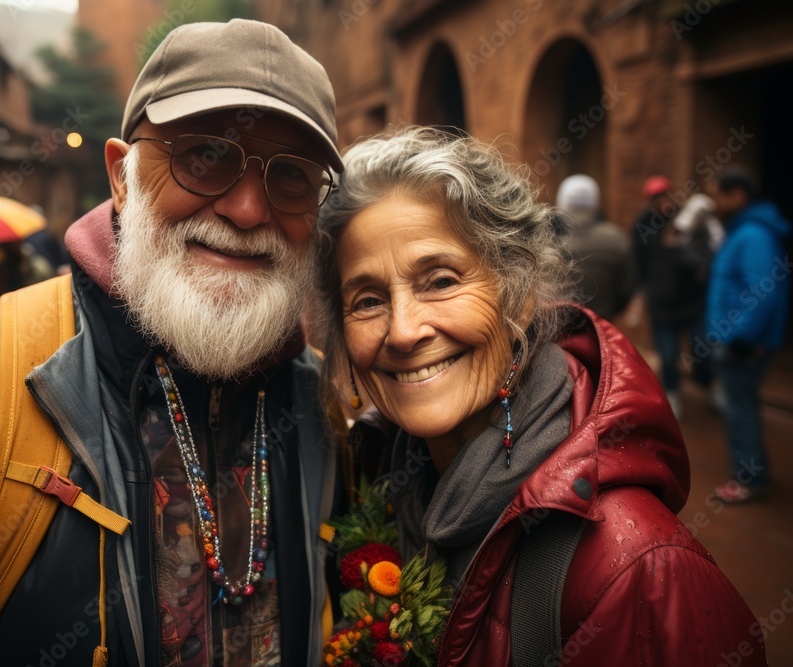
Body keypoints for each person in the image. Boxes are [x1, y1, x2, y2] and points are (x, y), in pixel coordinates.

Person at [0, 19, 341, 666]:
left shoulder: (323, 400)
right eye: (206, 155)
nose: (248, 209)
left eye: (293, 176)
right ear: (122, 176)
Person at [314, 127, 766, 665]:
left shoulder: (641, 572)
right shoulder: (380, 474)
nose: (404, 331)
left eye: (440, 281)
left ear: (520, 295)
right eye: (367, 300)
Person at [705, 166, 790, 504]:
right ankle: (751, 471)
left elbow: (764, 292)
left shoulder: (753, 235)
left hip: (741, 342)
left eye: (718, 194)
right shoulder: (742, 231)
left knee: (740, 408)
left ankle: (749, 478)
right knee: (740, 405)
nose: (713, 201)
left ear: (737, 195)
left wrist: (742, 338)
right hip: (736, 338)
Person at [630, 176, 715, 419]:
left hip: (692, 301)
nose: (663, 201)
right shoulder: (643, 225)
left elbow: (704, 251)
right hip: (661, 304)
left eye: (666, 194)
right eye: (657, 197)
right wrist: (640, 295)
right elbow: (639, 263)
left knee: (704, 349)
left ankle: (708, 385)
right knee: (667, 355)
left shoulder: (687, 219)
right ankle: (673, 394)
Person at [554, 174, 633, 320]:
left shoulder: (546, 239)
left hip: (556, 329)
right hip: (601, 325)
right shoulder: (617, 239)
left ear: (561, 200)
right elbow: (627, 287)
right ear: (595, 202)